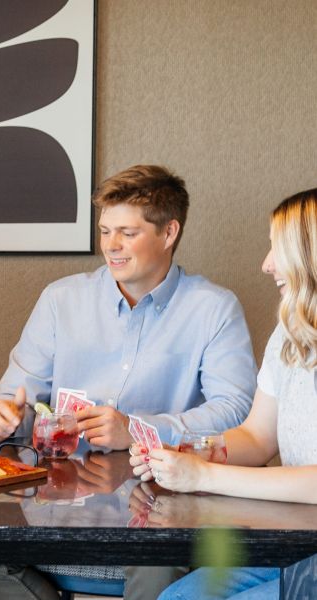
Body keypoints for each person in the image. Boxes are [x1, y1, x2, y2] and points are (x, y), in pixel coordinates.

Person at [0, 165, 257, 600]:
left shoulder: (214, 308)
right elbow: (13, 400)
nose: (111, 246)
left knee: (156, 564)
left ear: (169, 233)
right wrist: (2, 416)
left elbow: (236, 412)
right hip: (56, 500)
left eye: (127, 233)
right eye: (104, 230)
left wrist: (137, 429)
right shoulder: (61, 300)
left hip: (159, 500)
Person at [133, 188, 317, 600]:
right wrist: (185, 449)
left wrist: (203, 475)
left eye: (277, 248)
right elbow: (256, 436)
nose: (266, 265)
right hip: (299, 543)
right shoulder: (290, 335)